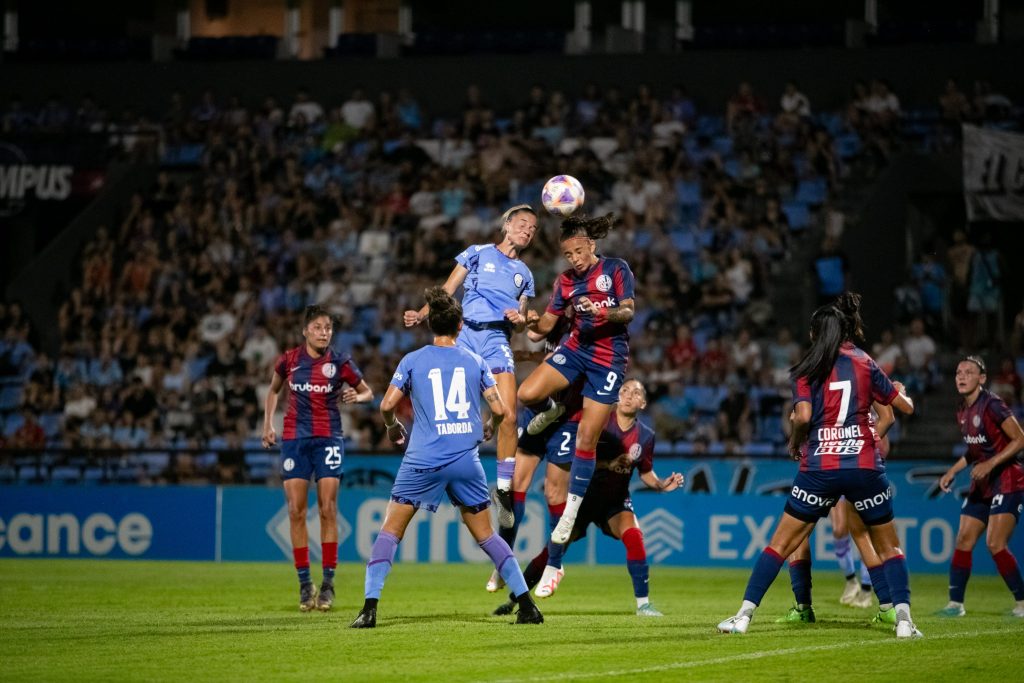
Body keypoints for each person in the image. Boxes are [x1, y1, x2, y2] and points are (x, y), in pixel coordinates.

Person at [717, 293, 920, 638]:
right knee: (889, 546)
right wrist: (900, 391)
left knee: (781, 544)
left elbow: (803, 416)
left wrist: (796, 440)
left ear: (815, 334)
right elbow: (904, 408)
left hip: (820, 466)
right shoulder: (865, 362)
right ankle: (903, 621)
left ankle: (743, 617)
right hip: (864, 464)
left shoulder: (806, 368)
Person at [351, 287, 543, 628]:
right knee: (488, 537)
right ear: (460, 326)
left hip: (422, 460)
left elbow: (386, 405)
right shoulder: (475, 361)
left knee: (390, 532)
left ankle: (369, 609)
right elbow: (501, 410)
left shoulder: (412, 360)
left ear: (431, 326)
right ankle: (527, 606)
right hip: (465, 462)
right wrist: (489, 424)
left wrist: (393, 427)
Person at [493, 380, 683, 616]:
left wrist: (661, 484)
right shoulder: (598, 421)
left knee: (634, 536)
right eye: (624, 390)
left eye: (635, 393)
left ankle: (643, 605)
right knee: (552, 551)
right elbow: (576, 458)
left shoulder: (645, 436)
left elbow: (645, 471)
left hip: (614, 502)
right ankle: (514, 601)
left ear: (643, 403)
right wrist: (608, 463)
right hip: (581, 501)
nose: (628, 395)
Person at [403, 204, 538, 529]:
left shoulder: (525, 275)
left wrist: (519, 319)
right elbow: (447, 291)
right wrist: (421, 313)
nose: (527, 231)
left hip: (496, 340)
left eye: (533, 229)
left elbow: (522, 321)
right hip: (463, 337)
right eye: (522, 224)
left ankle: (503, 489)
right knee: (453, 416)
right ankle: (434, 474)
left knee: (509, 415)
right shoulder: (477, 253)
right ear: (507, 224)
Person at [518, 212, 636, 546]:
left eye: (578, 252)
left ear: (591, 245)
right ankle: (551, 410)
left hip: (608, 359)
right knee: (527, 393)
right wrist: (530, 319)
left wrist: (601, 311)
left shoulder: (616, 269)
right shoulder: (565, 281)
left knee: (586, 439)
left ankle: (571, 513)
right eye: (568, 254)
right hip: (576, 349)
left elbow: (628, 311)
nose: (574, 259)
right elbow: (545, 327)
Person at [262, 304, 374, 612]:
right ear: (305, 331)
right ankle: (304, 583)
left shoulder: (340, 362)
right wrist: (268, 424)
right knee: (296, 511)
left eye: (328, 328)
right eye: (318, 328)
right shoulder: (289, 360)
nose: (324, 333)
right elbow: (273, 391)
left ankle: (327, 584)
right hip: (295, 441)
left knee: (327, 508)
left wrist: (357, 396)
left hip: (328, 439)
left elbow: (368, 392)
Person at [777, 402, 899, 626]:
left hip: (830, 471)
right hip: (842, 469)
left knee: (853, 533)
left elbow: (798, 418)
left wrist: (796, 437)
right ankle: (879, 600)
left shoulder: (821, 396)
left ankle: (864, 592)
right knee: (845, 532)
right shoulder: (852, 396)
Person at [937, 356, 1024, 618]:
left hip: (1007, 479)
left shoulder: (993, 404)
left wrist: (990, 463)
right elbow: (974, 450)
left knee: (995, 543)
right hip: (983, 483)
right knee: (963, 538)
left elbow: (1020, 439)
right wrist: (952, 471)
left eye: (969, 372)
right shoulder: (962, 409)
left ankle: (1022, 602)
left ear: (982, 378)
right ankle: (955, 605)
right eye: (958, 372)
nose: (962, 376)